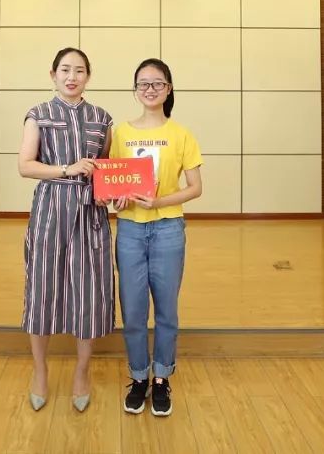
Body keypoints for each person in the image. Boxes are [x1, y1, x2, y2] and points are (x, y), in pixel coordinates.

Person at [17, 47, 114, 413]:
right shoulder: (38, 114)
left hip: (90, 214)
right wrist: (67, 169)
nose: (72, 77)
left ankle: (82, 373)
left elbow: (107, 170)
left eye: (79, 71)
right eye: (65, 70)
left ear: (88, 76)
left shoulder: (102, 119)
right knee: (42, 289)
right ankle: (40, 371)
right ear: (53, 74)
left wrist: (111, 192)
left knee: (89, 292)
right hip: (50, 211)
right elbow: (26, 166)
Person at [110, 58, 202, 417]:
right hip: (130, 230)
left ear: (168, 89)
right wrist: (116, 198)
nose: (150, 89)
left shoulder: (182, 134)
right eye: (143, 83)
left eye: (157, 83)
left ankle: (161, 378)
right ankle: (138, 377)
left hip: (168, 229)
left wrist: (160, 201)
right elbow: (112, 183)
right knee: (133, 311)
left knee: (166, 310)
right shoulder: (120, 133)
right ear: (135, 90)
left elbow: (195, 187)